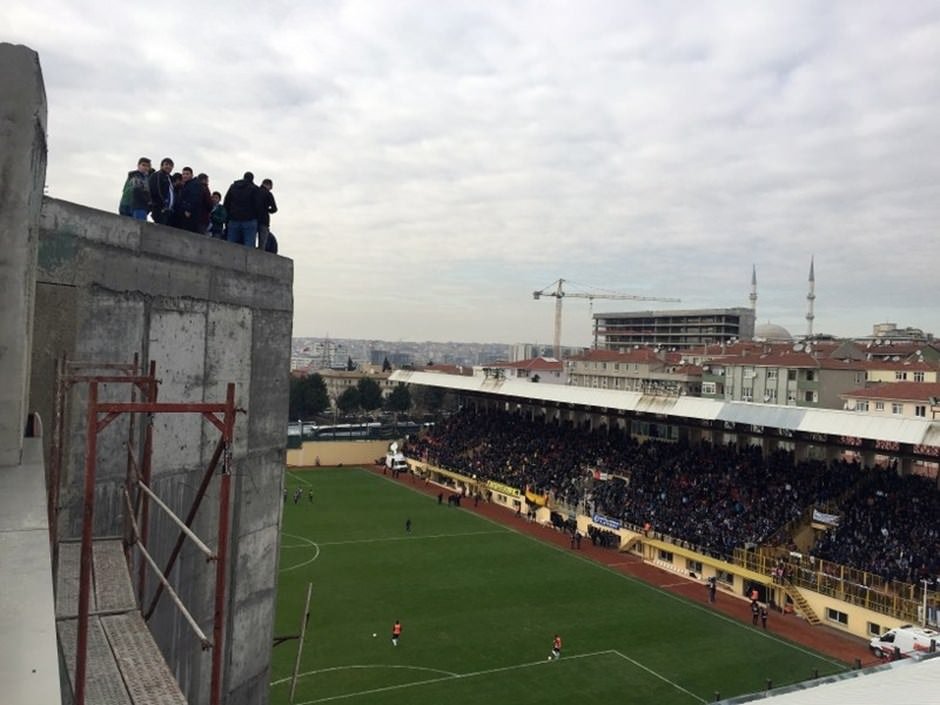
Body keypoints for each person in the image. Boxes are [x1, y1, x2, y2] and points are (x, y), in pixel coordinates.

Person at [223, 171, 261, 247]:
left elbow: (226, 202)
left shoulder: (233, 187)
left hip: (233, 219)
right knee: (249, 247)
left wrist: (229, 215)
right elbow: (258, 206)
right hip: (249, 220)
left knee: (230, 246)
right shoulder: (254, 189)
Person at [148, 157, 176, 225]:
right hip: (159, 208)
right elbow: (156, 190)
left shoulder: (170, 178)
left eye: (170, 165)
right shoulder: (157, 175)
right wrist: (163, 204)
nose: (168, 167)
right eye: (166, 164)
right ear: (161, 166)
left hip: (168, 210)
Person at [257, 178, 278, 250]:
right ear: (269, 185)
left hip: (252, 218)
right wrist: (267, 210)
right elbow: (274, 209)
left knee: (250, 241)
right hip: (264, 220)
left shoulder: (255, 191)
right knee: (262, 243)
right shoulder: (268, 194)